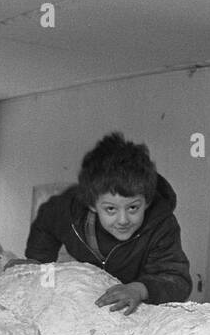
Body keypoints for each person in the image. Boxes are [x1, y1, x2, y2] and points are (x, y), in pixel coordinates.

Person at [22, 132, 191, 314]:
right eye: (111, 209)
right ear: (92, 204)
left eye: (133, 207)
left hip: (134, 303)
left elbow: (177, 279)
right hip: (87, 298)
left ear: (147, 202)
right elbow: (46, 227)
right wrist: (37, 266)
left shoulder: (161, 225)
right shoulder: (65, 210)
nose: (123, 220)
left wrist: (139, 289)